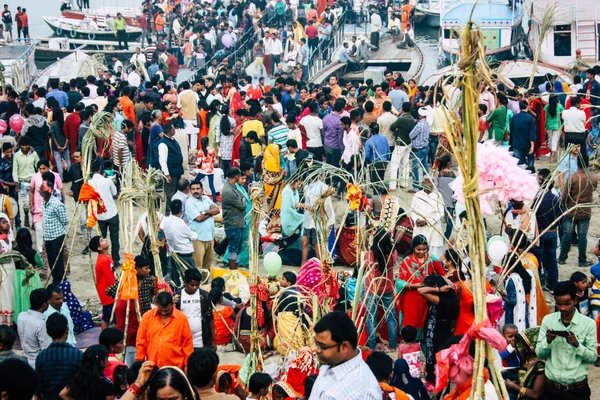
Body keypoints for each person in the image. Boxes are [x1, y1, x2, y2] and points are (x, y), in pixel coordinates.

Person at [536, 281, 596, 400]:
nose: (563, 308)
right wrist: (548, 341)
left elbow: (593, 357)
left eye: (567, 304)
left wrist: (577, 345)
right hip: (551, 389)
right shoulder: (548, 321)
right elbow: (539, 353)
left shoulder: (588, 324)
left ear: (575, 301)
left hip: (577, 391)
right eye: (559, 304)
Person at [310, 311, 381, 400]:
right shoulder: (332, 363)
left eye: (322, 346)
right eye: (316, 343)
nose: (315, 349)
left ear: (344, 347)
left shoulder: (362, 392)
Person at [397, 235, 445, 339]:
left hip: (427, 298)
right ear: (413, 248)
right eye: (418, 249)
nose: (422, 252)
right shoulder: (407, 261)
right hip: (411, 299)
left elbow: (443, 276)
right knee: (411, 324)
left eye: (424, 249)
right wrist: (413, 286)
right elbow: (399, 282)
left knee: (426, 324)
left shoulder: (432, 259)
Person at [136, 291, 194, 369]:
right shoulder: (147, 317)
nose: (163, 313)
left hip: (175, 368)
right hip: (153, 368)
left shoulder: (182, 318)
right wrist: (139, 363)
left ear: (172, 304)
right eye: (161, 310)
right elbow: (141, 342)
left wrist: (187, 366)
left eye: (167, 311)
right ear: (156, 305)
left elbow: (187, 344)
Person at [418, 274, 459, 383]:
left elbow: (420, 291)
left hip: (437, 332)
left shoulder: (440, 299)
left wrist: (439, 289)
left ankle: (435, 380)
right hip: (437, 330)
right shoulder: (448, 296)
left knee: (435, 356)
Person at [559, 154, 598, 267]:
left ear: (578, 163)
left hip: (571, 210)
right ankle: (582, 260)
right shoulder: (593, 177)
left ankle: (562, 258)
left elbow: (565, 195)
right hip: (585, 211)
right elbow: (594, 188)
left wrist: (565, 204)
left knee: (567, 235)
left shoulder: (572, 177)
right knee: (582, 236)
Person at [364, 228, 397, 351]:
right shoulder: (393, 254)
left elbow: (366, 266)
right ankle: (393, 345)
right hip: (387, 289)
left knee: (371, 318)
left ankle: (372, 347)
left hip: (372, 289)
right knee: (391, 318)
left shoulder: (370, 254)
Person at [36, 313, 82, 400]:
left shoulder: (41, 357)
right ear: (66, 330)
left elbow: (39, 385)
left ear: (47, 332)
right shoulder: (77, 355)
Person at [175, 269, 216, 350]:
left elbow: (210, 318)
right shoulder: (177, 297)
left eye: (197, 285)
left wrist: (213, 341)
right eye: (192, 285)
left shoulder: (204, 295)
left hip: (201, 339)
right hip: (182, 339)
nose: (195, 288)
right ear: (185, 283)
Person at [89, 160, 120, 265]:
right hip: (111, 213)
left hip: (99, 215)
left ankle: (104, 260)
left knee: (101, 240)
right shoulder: (107, 181)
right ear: (100, 168)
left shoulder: (89, 183)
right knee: (114, 238)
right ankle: (115, 260)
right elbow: (115, 193)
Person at [160, 199, 197, 285]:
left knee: (176, 278)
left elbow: (161, 227)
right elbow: (194, 236)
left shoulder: (166, 220)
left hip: (174, 254)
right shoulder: (181, 224)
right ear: (181, 210)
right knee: (189, 278)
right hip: (185, 255)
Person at [40, 171, 68, 284]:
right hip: (48, 237)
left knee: (58, 262)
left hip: (57, 237)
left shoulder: (57, 204)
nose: (40, 189)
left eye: (43, 187)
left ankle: (61, 282)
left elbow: (65, 220)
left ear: (49, 190)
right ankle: (56, 280)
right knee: (52, 261)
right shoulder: (43, 202)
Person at [504, 327, 546, 400]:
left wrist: (514, 386)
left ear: (534, 343)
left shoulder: (540, 365)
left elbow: (535, 394)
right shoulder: (527, 358)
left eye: (525, 344)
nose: (523, 346)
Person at [186, 181, 219, 270]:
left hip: (210, 237)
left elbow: (217, 210)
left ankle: (206, 283)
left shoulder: (206, 199)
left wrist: (205, 212)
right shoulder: (189, 203)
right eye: (193, 189)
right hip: (198, 239)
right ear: (190, 190)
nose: (195, 191)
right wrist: (211, 213)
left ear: (202, 190)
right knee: (198, 266)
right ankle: (198, 284)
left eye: (197, 189)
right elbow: (199, 218)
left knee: (208, 265)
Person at [16, 288, 51, 367]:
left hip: (25, 358)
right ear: (44, 305)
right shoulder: (41, 324)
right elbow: (46, 349)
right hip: (36, 363)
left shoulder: (21, 316)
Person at [410, 178, 444, 258]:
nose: (429, 184)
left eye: (430, 182)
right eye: (426, 182)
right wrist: (416, 219)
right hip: (420, 228)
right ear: (423, 183)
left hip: (433, 227)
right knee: (419, 249)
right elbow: (412, 210)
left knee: (433, 252)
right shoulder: (417, 195)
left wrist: (427, 222)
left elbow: (440, 212)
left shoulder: (438, 195)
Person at [503, 253, 537, 332]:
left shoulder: (512, 280)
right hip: (524, 307)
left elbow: (512, 301)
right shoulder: (526, 274)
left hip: (513, 313)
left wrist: (503, 297)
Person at [221, 168, 246, 270]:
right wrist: (242, 202)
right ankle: (233, 272)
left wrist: (241, 201)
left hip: (238, 223)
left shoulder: (233, 186)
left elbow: (241, 197)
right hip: (233, 224)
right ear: (236, 177)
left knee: (238, 249)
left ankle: (235, 269)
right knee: (233, 249)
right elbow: (242, 205)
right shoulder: (228, 190)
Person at [89, 235, 115, 330]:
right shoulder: (103, 260)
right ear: (99, 248)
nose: (105, 240)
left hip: (106, 292)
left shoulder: (106, 256)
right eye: (102, 240)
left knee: (106, 317)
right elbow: (110, 280)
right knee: (114, 317)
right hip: (108, 293)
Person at [158, 123, 184, 215]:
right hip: (171, 173)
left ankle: (177, 212)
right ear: (170, 131)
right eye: (173, 129)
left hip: (177, 171)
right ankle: (169, 213)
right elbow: (163, 160)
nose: (174, 130)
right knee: (170, 194)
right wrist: (167, 174)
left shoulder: (173, 140)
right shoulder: (163, 143)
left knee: (177, 193)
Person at [389, 102, 415, 190]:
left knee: (394, 164)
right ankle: (404, 183)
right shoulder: (411, 118)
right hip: (408, 143)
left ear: (402, 109)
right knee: (405, 163)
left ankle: (392, 185)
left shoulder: (401, 119)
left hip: (400, 143)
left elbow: (392, 127)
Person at [263, 143, 285, 233]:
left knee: (272, 208)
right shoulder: (271, 162)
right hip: (274, 189)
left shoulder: (267, 158)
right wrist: (282, 175)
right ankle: (275, 226)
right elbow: (274, 178)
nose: (279, 152)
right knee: (277, 206)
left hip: (271, 189)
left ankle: (272, 225)